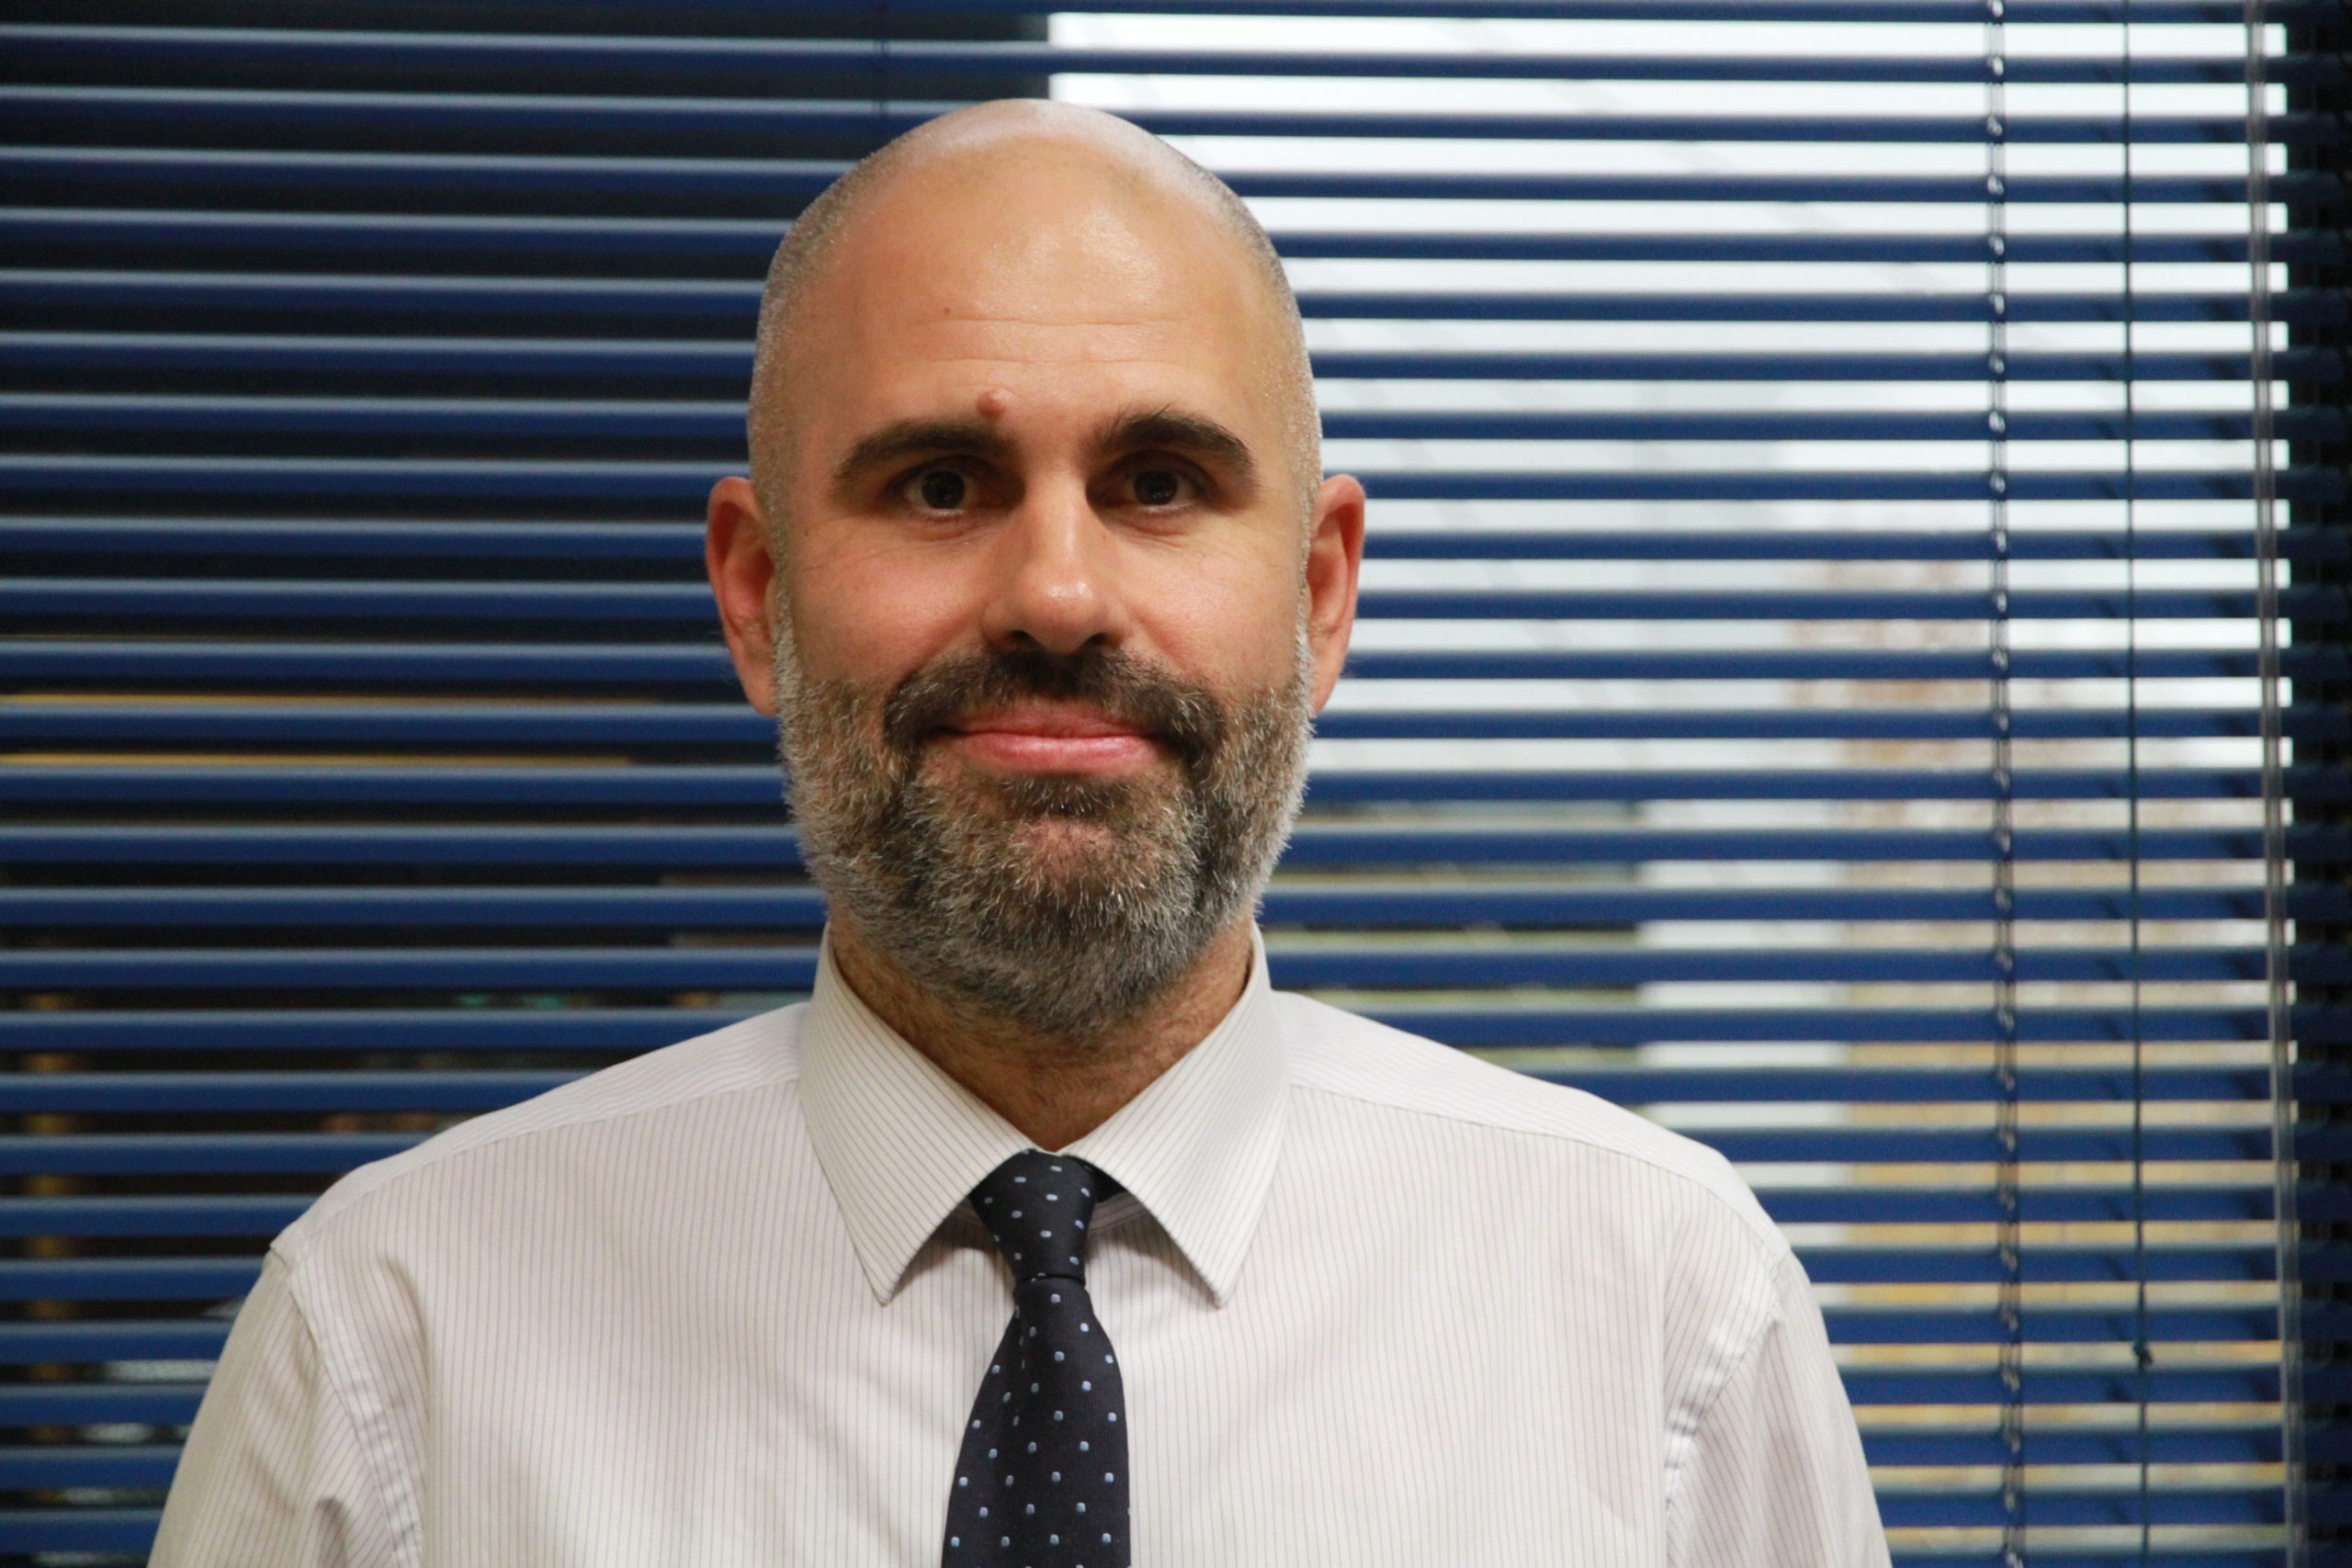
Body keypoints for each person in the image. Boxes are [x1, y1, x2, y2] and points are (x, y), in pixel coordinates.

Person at [151, 100, 1891, 1567]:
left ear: (1320, 596)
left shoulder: (1667, 1317)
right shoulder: (394, 1344)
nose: (1057, 596)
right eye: (938, 486)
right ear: (757, 597)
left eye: (1158, 485)